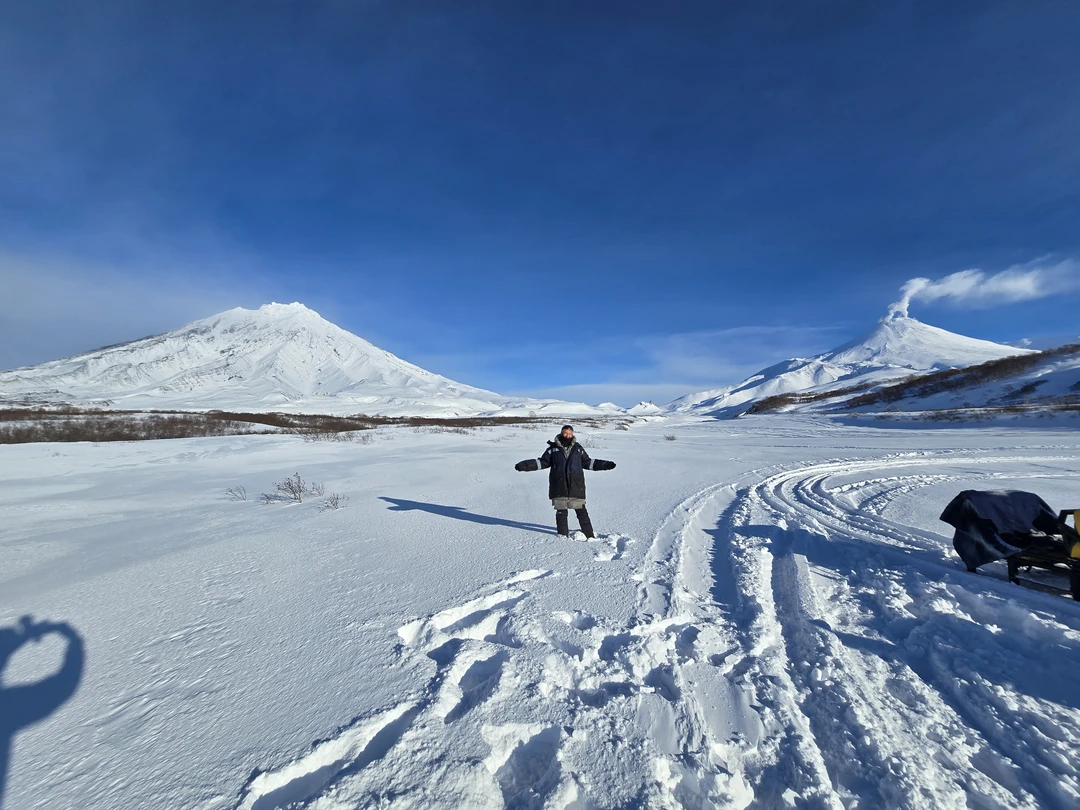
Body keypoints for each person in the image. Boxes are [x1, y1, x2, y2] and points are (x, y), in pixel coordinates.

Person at [514, 425, 616, 537]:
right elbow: (542, 462)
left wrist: (606, 465)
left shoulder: (578, 449)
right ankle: (562, 538)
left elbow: (588, 462)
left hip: (576, 486)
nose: (567, 435)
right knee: (561, 514)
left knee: (582, 513)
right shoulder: (553, 449)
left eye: (570, 433)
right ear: (561, 433)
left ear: (572, 434)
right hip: (559, 485)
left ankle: (590, 536)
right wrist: (524, 465)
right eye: (565, 433)